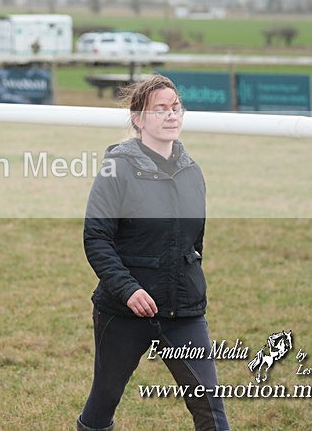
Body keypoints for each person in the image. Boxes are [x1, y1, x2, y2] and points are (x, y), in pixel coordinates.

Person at [77, 75, 229, 431]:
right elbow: (96, 238)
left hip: (184, 312)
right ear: (138, 119)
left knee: (210, 406)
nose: (171, 114)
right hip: (123, 311)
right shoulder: (117, 170)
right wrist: (129, 290)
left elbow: (195, 243)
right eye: (160, 108)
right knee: (104, 400)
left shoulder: (193, 172)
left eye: (176, 107)